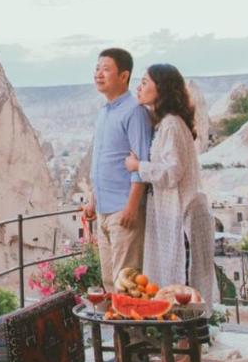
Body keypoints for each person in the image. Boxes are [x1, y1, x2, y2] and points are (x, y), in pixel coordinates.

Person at [123, 63, 202, 289]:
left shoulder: (171, 125)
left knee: (179, 288)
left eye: (144, 82)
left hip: (181, 216)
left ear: (162, 88)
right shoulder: (166, 124)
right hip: (174, 215)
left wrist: (138, 166)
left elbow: (172, 172)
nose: (139, 87)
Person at [82, 48, 152, 293]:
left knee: (127, 283)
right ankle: (118, 321)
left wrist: (132, 206)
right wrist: (93, 201)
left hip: (123, 210)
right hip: (104, 210)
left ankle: (130, 321)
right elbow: (103, 161)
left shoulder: (134, 111)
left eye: (106, 69)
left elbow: (141, 162)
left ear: (124, 76)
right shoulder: (104, 112)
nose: (98, 74)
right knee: (109, 281)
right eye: (97, 68)